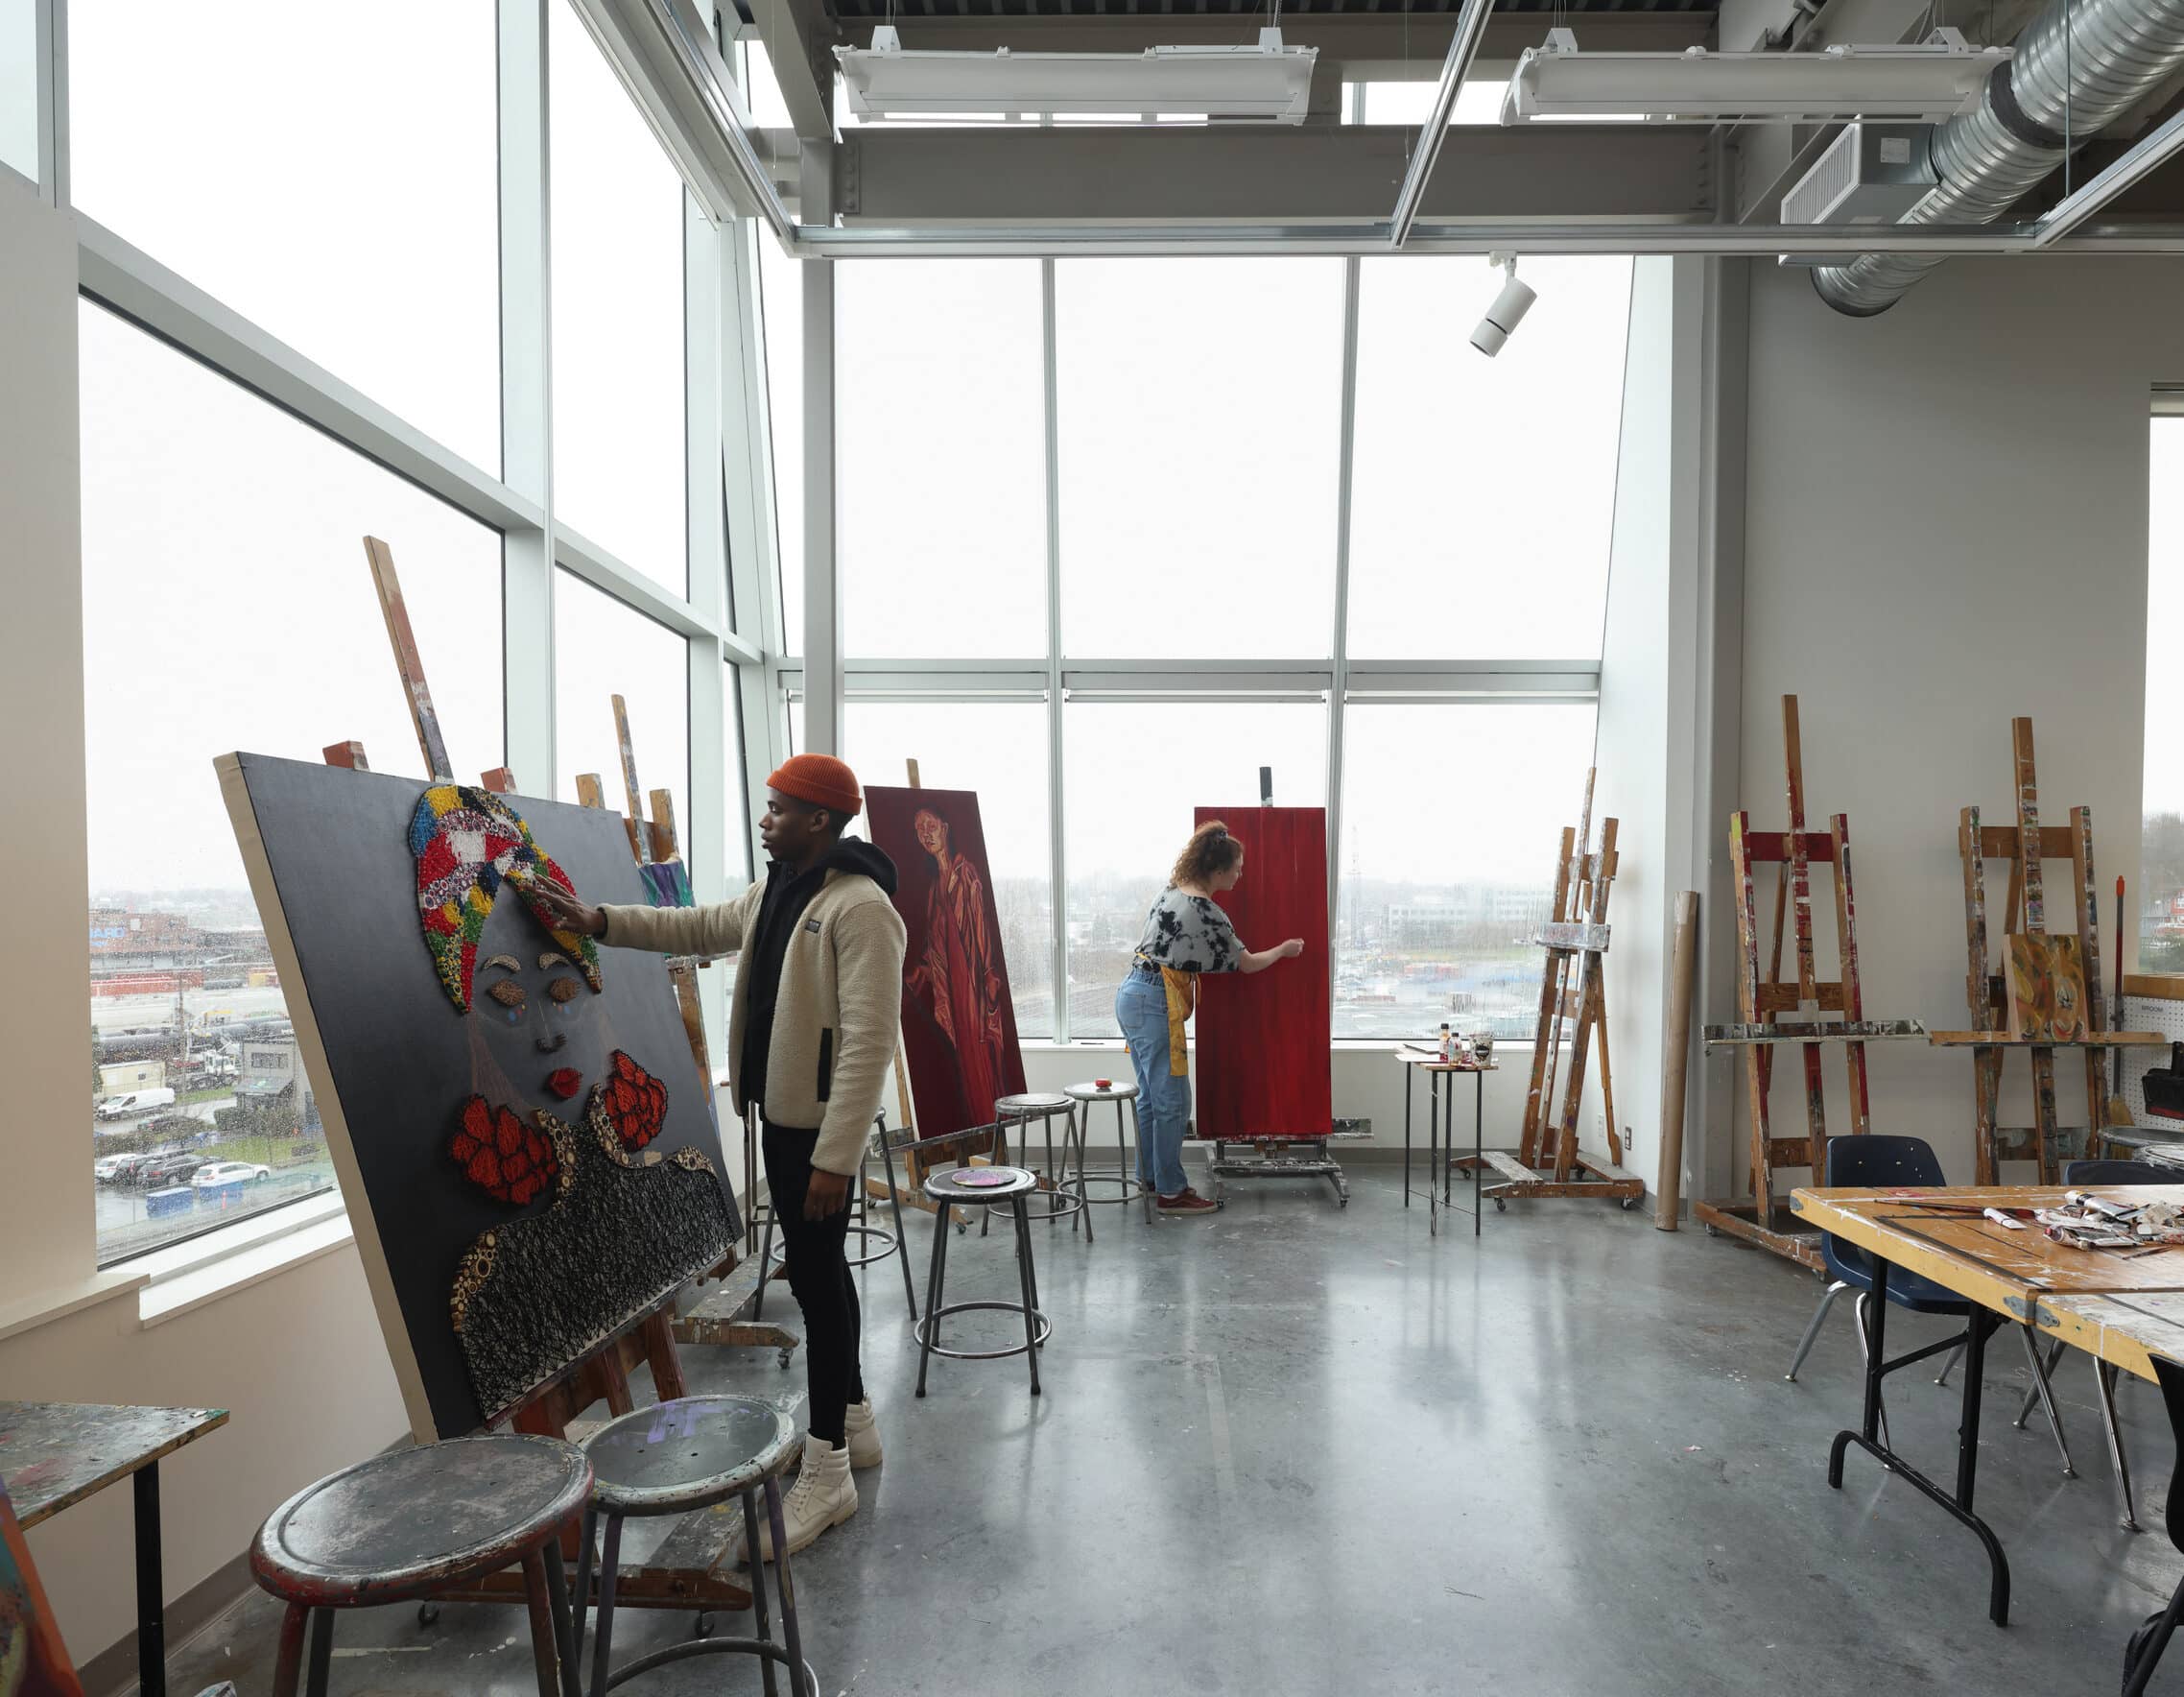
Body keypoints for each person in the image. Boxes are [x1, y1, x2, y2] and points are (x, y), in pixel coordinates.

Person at [534, 753, 906, 1562]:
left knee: (815, 1282)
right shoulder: (780, 891)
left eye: (778, 809)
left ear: (819, 820)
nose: (765, 819)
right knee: (818, 1273)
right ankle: (857, 1425)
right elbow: (695, 926)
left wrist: (837, 1159)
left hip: (819, 1135)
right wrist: (593, 919)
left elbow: (870, 1041)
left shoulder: (862, 908)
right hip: (781, 1117)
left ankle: (828, 1470)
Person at [1117, 821, 1303, 1215]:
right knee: (1173, 1102)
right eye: (1237, 867)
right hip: (1154, 1000)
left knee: (1153, 1098)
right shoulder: (1205, 910)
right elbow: (1247, 963)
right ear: (1217, 870)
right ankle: (1171, 1192)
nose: (1240, 875)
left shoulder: (1171, 892)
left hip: (1132, 992)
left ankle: (1151, 1178)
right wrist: (1284, 950)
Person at [903, 804, 1009, 1125]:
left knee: (982, 1061)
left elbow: (982, 931)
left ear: (945, 828)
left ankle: (989, 1130)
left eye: (930, 825)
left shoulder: (967, 874)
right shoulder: (936, 887)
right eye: (919, 829)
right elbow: (937, 947)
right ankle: (980, 1128)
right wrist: (919, 973)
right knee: (964, 1060)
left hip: (974, 987)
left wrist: (990, 979)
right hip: (951, 989)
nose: (925, 834)